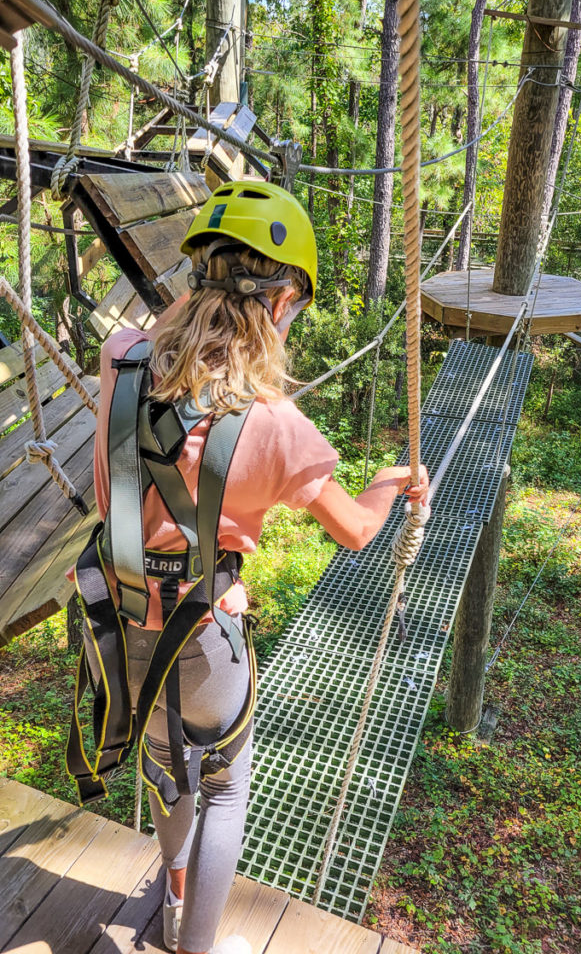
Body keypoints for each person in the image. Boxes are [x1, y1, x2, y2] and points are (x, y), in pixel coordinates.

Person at [88, 181, 429, 954]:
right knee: (223, 784)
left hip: (119, 617)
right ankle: (196, 946)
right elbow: (356, 531)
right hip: (204, 633)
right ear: (280, 305)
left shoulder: (122, 359)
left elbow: (163, 355)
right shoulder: (278, 429)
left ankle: (174, 894)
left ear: (197, 281)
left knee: (166, 764)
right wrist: (388, 483)